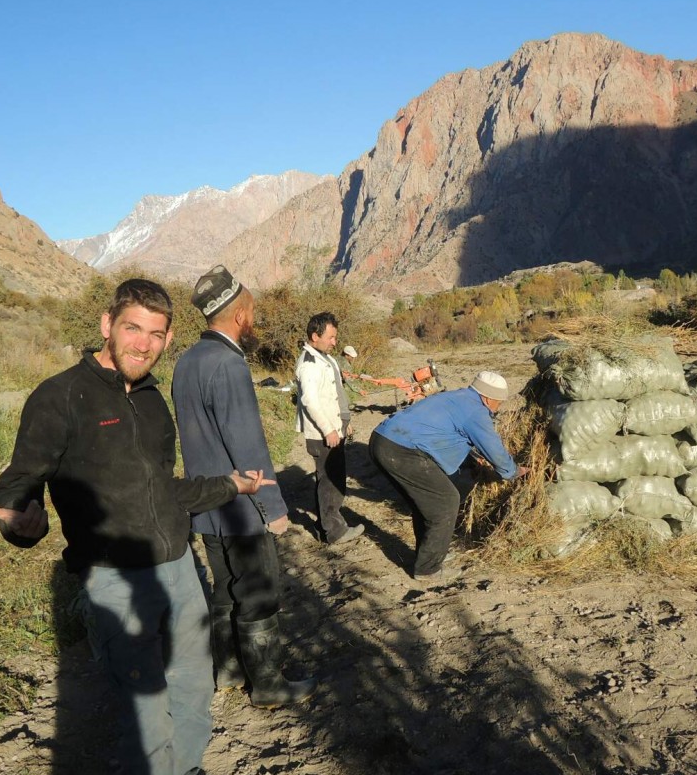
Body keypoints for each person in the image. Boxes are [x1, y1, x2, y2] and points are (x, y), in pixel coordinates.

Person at [0, 278, 267, 775]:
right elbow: (20, 478)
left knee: (195, 696)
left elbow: (162, 488)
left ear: (168, 339)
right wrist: (18, 518)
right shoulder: (62, 397)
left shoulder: (151, 403)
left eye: (156, 333)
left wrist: (228, 486)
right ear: (108, 323)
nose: (144, 342)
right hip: (115, 582)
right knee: (149, 731)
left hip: (177, 570)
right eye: (133, 327)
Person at [171, 265, 316, 708]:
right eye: (252, 311)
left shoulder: (187, 360)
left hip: (206, 504)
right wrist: (273, 508)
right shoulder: (228, 364)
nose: (255, 320)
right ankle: (269, 686)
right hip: (241, 504)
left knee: (225, 588)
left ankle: (230, 671)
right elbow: (246, 441)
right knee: (258, 590)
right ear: (239, 315)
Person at [369, 371, 525, 578]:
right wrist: (513, 471)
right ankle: (428, 569)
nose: (499, 407)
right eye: (498, 402)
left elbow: (447, 431)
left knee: (425, 504)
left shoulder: (458, 397)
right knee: (445, 501)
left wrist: (472, 457)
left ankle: (430, 554)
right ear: (488, 398)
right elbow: (494, 450)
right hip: (401, 450)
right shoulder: (476, 411)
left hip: (383, 440)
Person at [295, 312, 365, 545]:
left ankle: (323, 526)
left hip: (334, 429)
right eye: (331, 337)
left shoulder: (325, 358)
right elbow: (310, 401)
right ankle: (334, 531)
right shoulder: (309, 364)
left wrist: (344, 422)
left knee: (331, 478)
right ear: (315, 336)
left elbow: (336, 396)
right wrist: (328, 430)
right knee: (330, 481)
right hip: (323, 434)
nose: (335, 342)